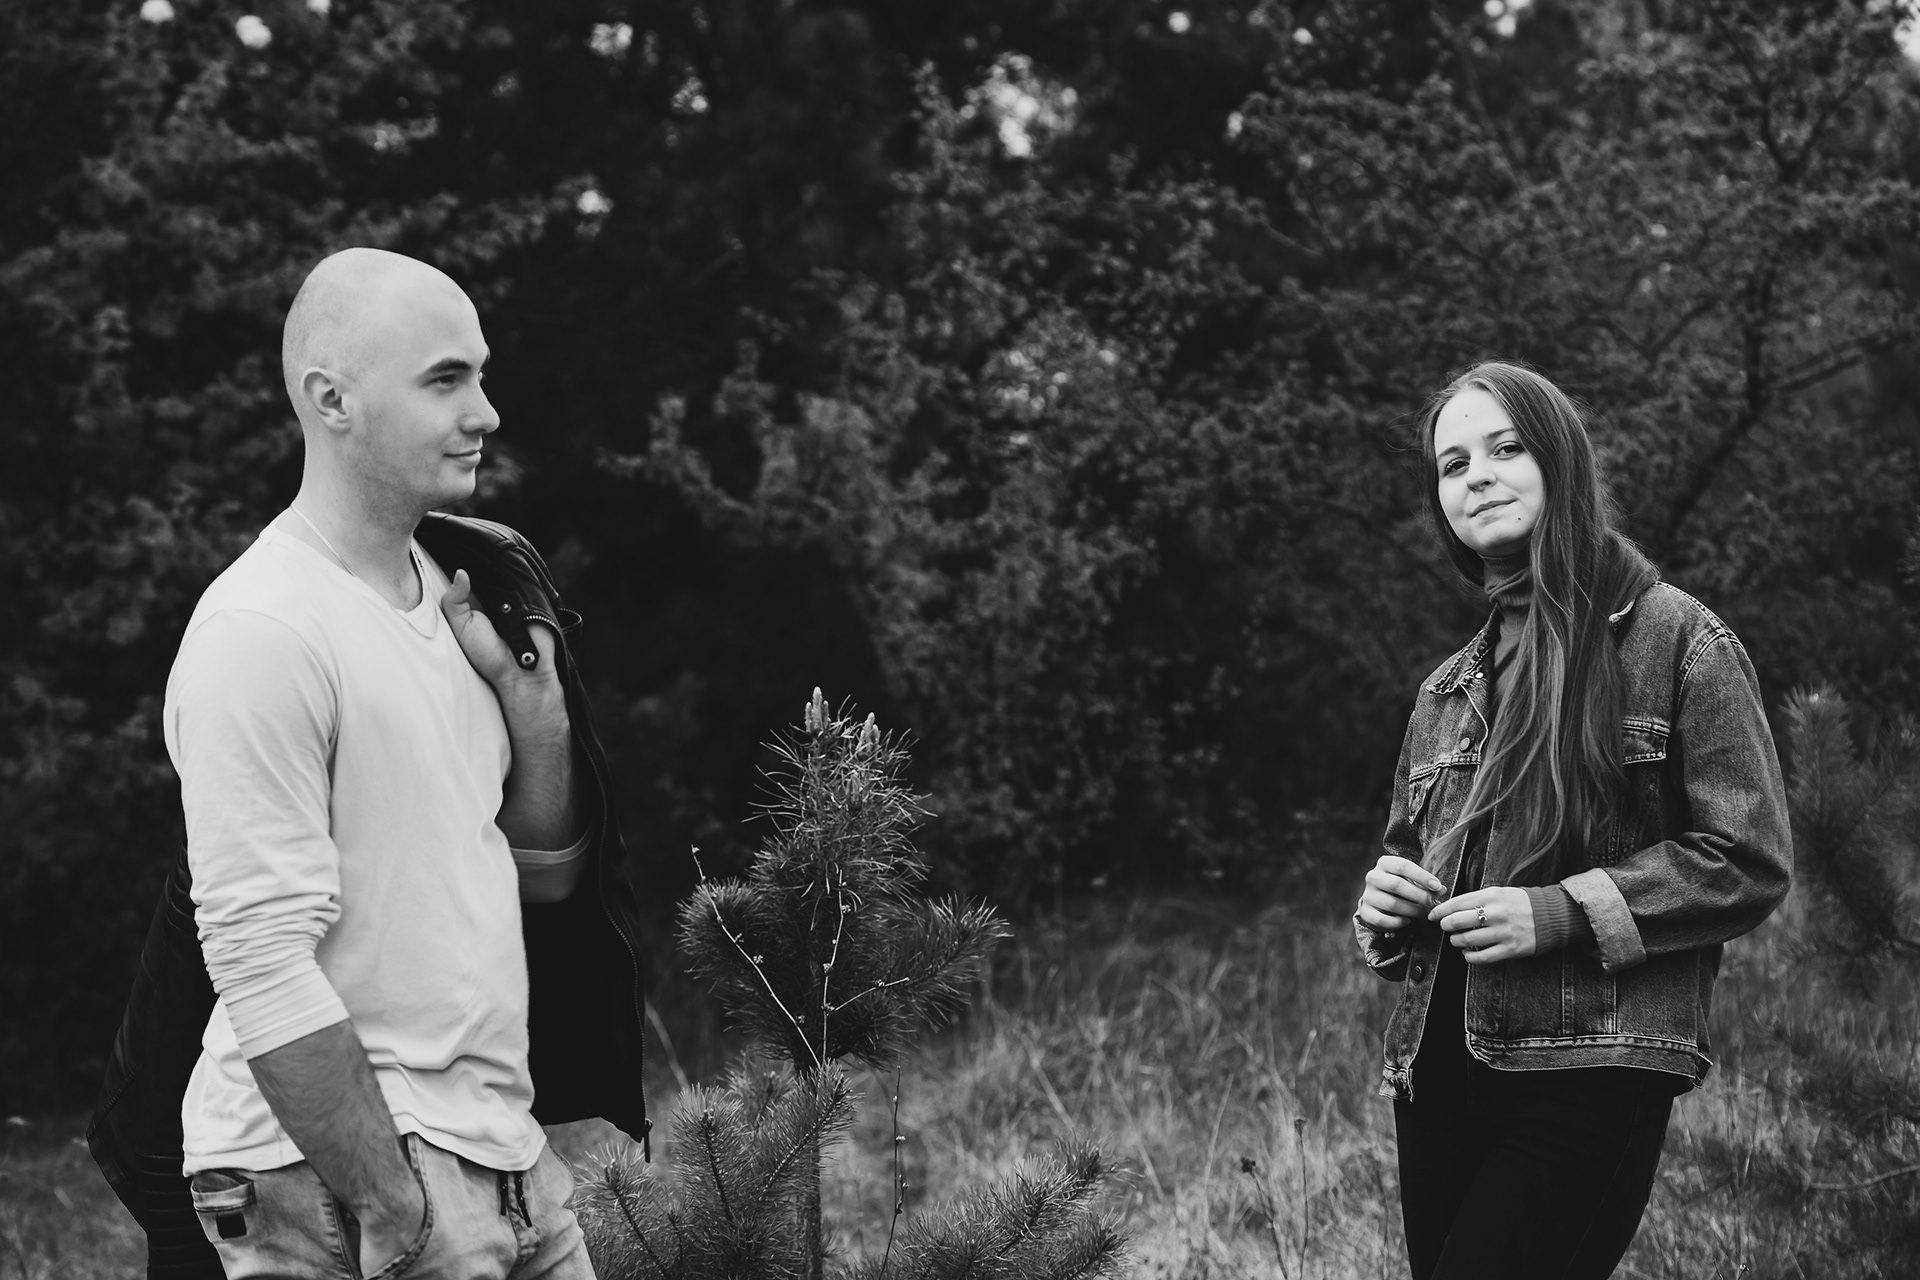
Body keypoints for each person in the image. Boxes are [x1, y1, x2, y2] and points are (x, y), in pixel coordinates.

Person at [93, 247, 648, 1278]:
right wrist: (391, 1197)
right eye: (446, 380)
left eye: (481, 375)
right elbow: (258, 958)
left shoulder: (466, 592)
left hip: (503, 1154)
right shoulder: (264, 629)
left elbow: (536, 877)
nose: (485, 412)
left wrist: (534, 718)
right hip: (334, 1176)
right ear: (332, 400)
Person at [1352, 361, 1792, 1279]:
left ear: (1560, 461)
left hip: (1587, 1068)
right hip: (1433, 1071)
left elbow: (1747, 857)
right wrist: (1384, 910)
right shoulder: (1446, 690)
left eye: (1506, 448)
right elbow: (1408, 864)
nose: (1477, 476)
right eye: (1453, 464)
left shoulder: (1679, 641)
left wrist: (1560, 911)